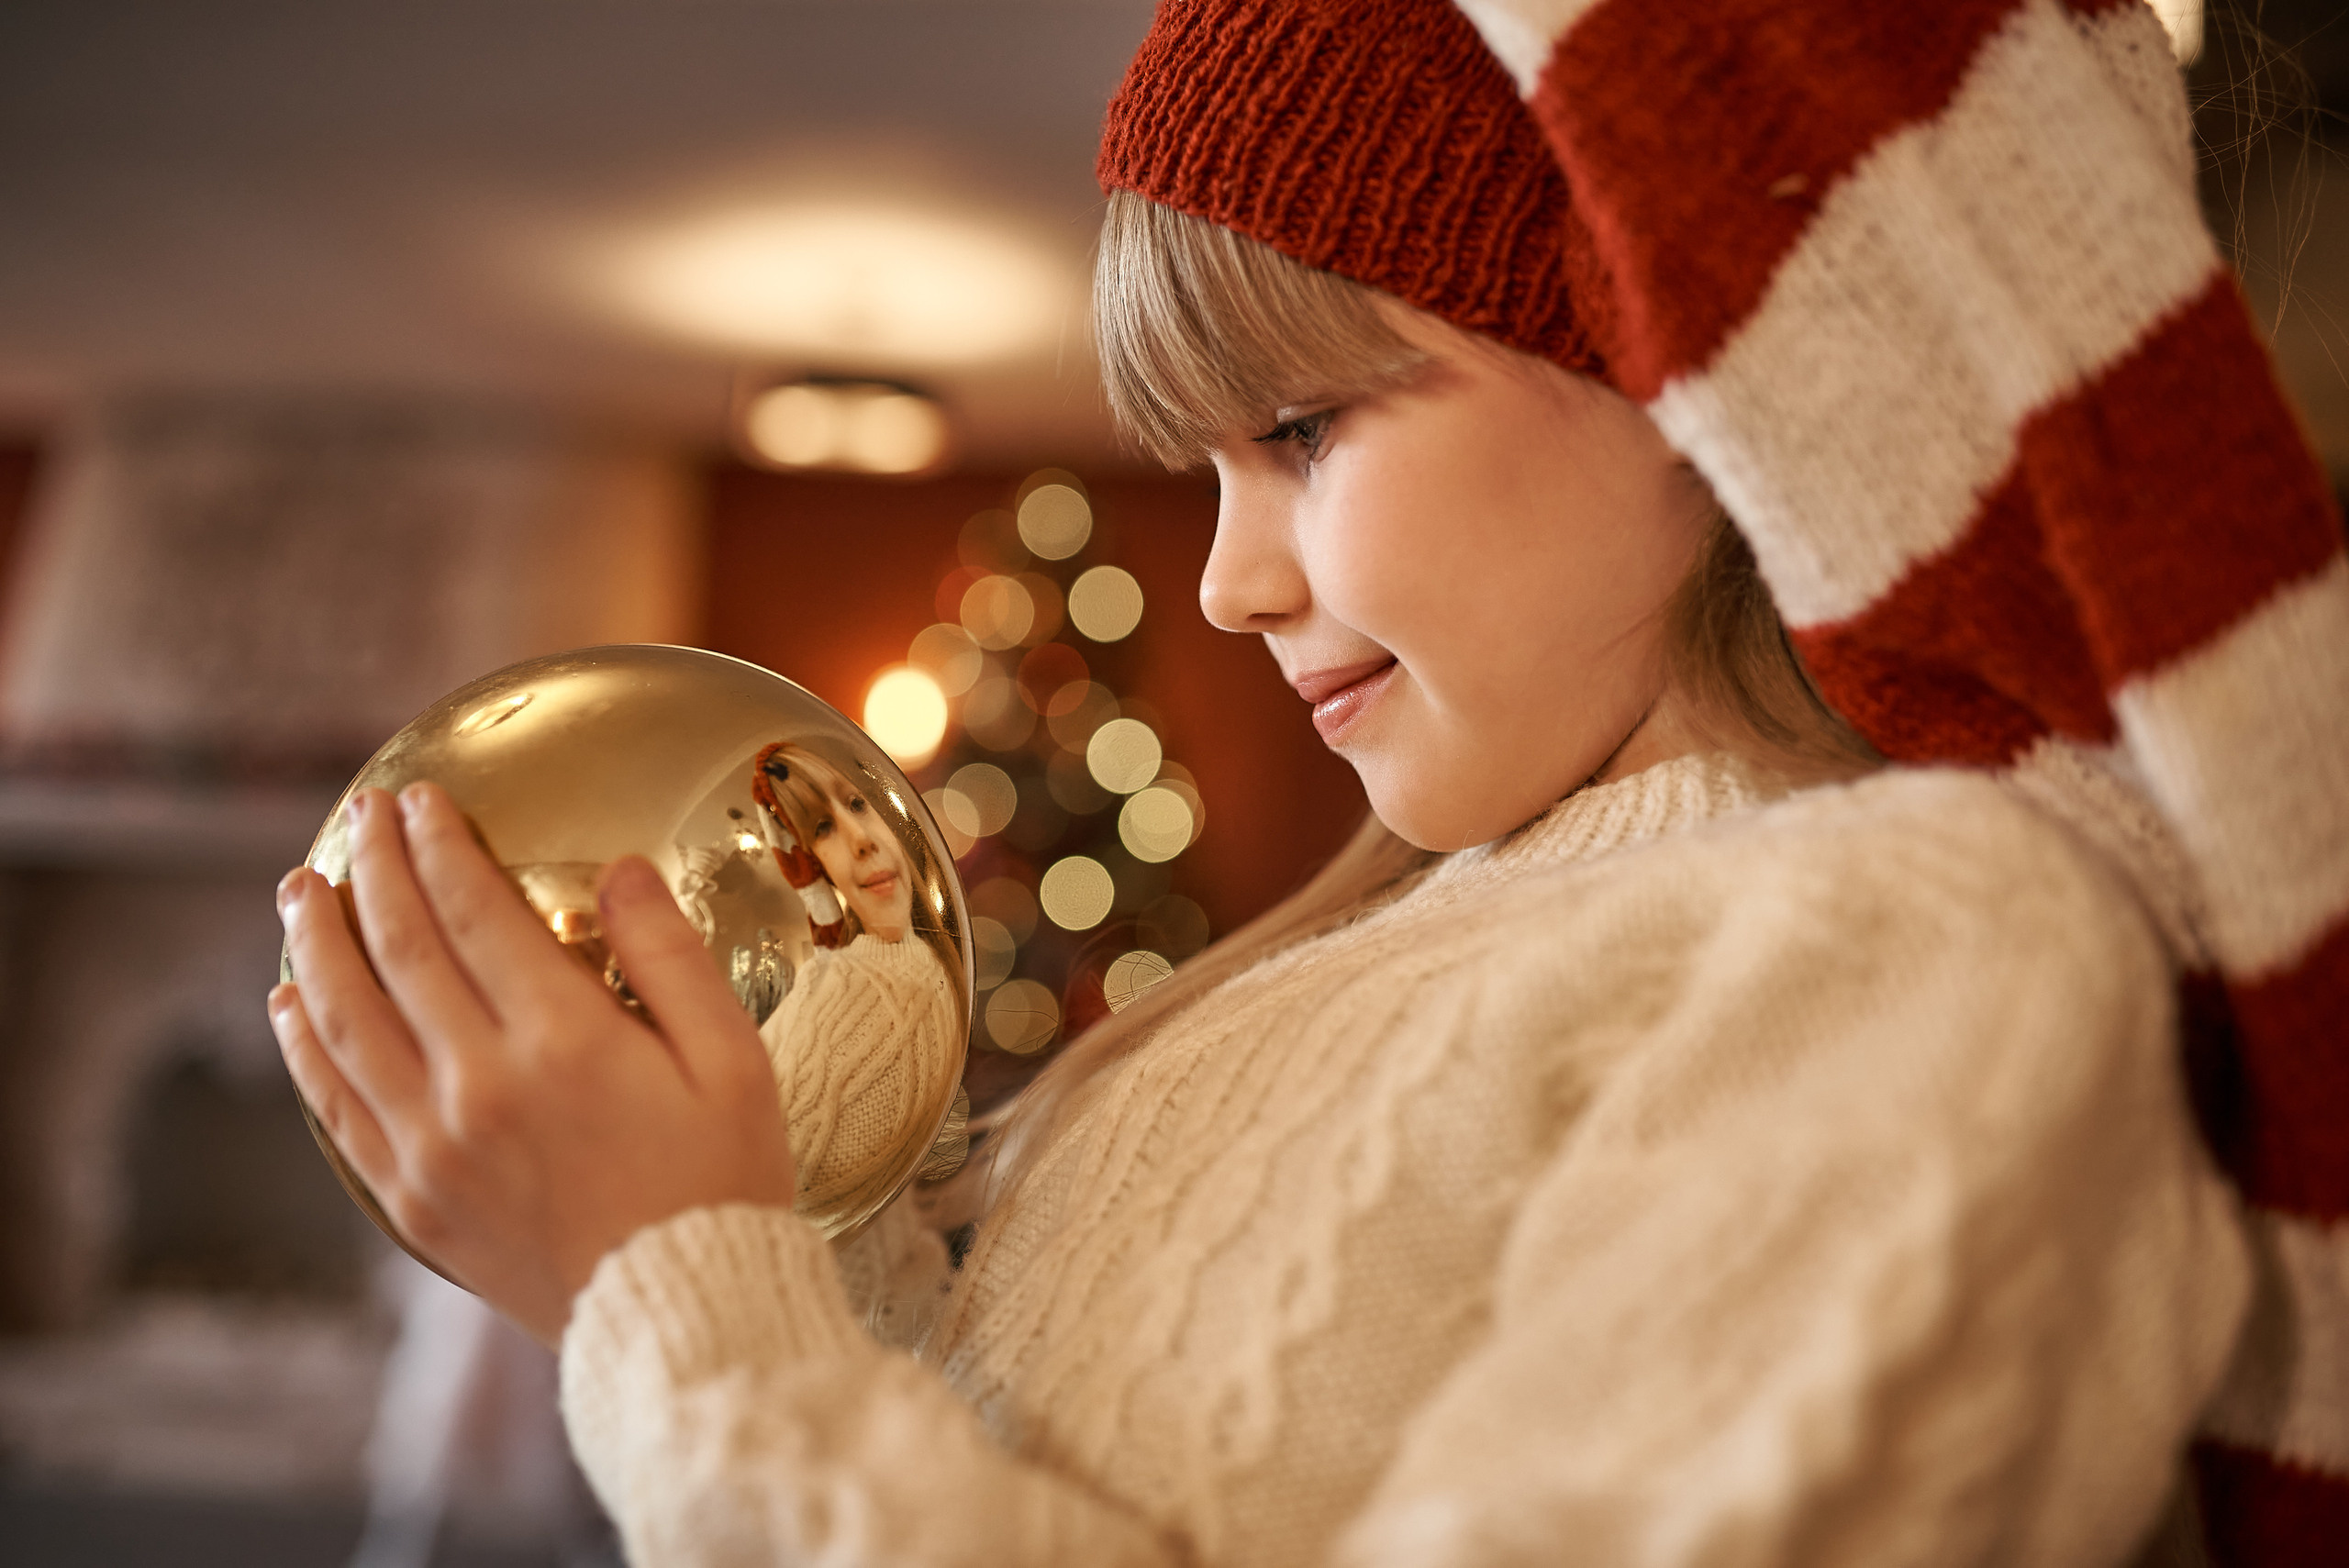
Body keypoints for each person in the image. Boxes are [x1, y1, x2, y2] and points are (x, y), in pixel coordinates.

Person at [267, 1, 2349, 1562]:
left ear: (1720, 362)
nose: (1228, 578)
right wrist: (743, 1218)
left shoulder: (1921, 958)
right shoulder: (1310, 983)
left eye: (1299, 432)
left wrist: (677, 1305)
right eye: (1199, 465)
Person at [744, 740, 963, 1229]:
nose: (859, 837)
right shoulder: (840, 978)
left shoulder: (904, 972)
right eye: (822, 828)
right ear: (812, 862)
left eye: (857, 803)